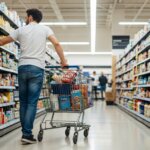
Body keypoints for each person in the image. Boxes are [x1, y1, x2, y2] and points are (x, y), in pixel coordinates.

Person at [0, 9, 67, 144]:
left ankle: (25, 133)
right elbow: (57, 44)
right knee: (31, 103)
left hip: (23, 67)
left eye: (26, 16)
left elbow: (2, 42)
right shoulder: (45, 29)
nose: (26, 18)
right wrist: (63, 61)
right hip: (37, 68)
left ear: (30, 17)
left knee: (23, 102)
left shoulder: (21, 30)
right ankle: (27, 134)